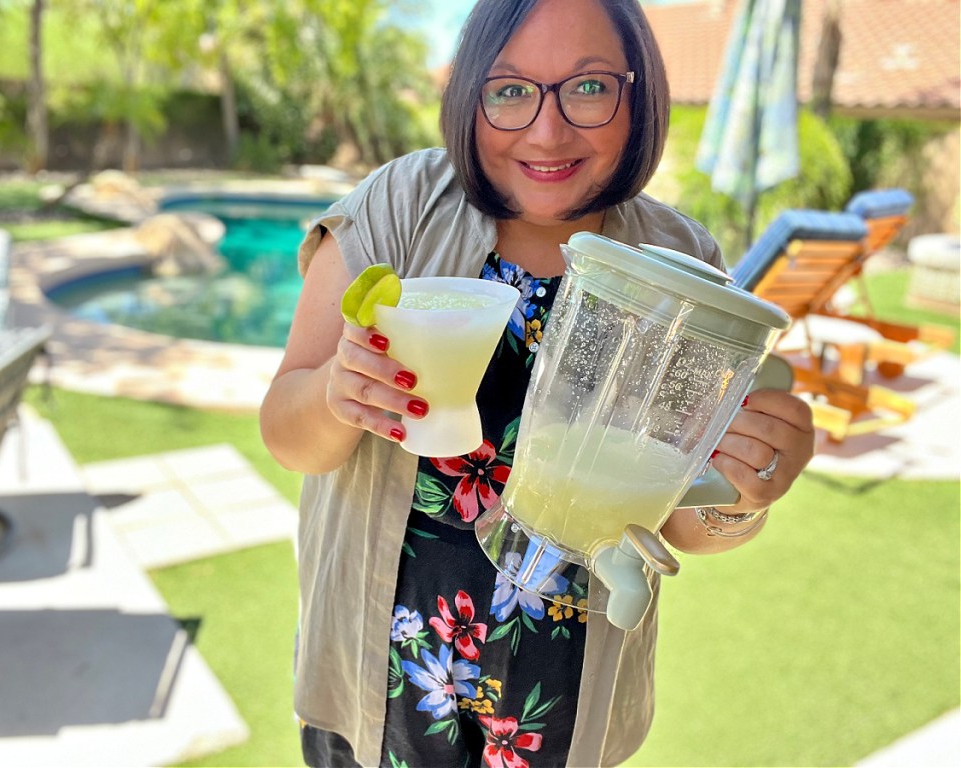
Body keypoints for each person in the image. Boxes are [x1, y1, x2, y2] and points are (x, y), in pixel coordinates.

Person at [260, 0, 815, 765]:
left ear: (638, 94)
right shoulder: (399, 207)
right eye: (511, 90)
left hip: (560, 713)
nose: (547, 131)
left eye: (588, 88)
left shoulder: (683, 262)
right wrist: (335, 394)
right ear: (470, 99)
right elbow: (286, 434)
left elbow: (677, 517)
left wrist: (744, 491)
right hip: (379, 691)